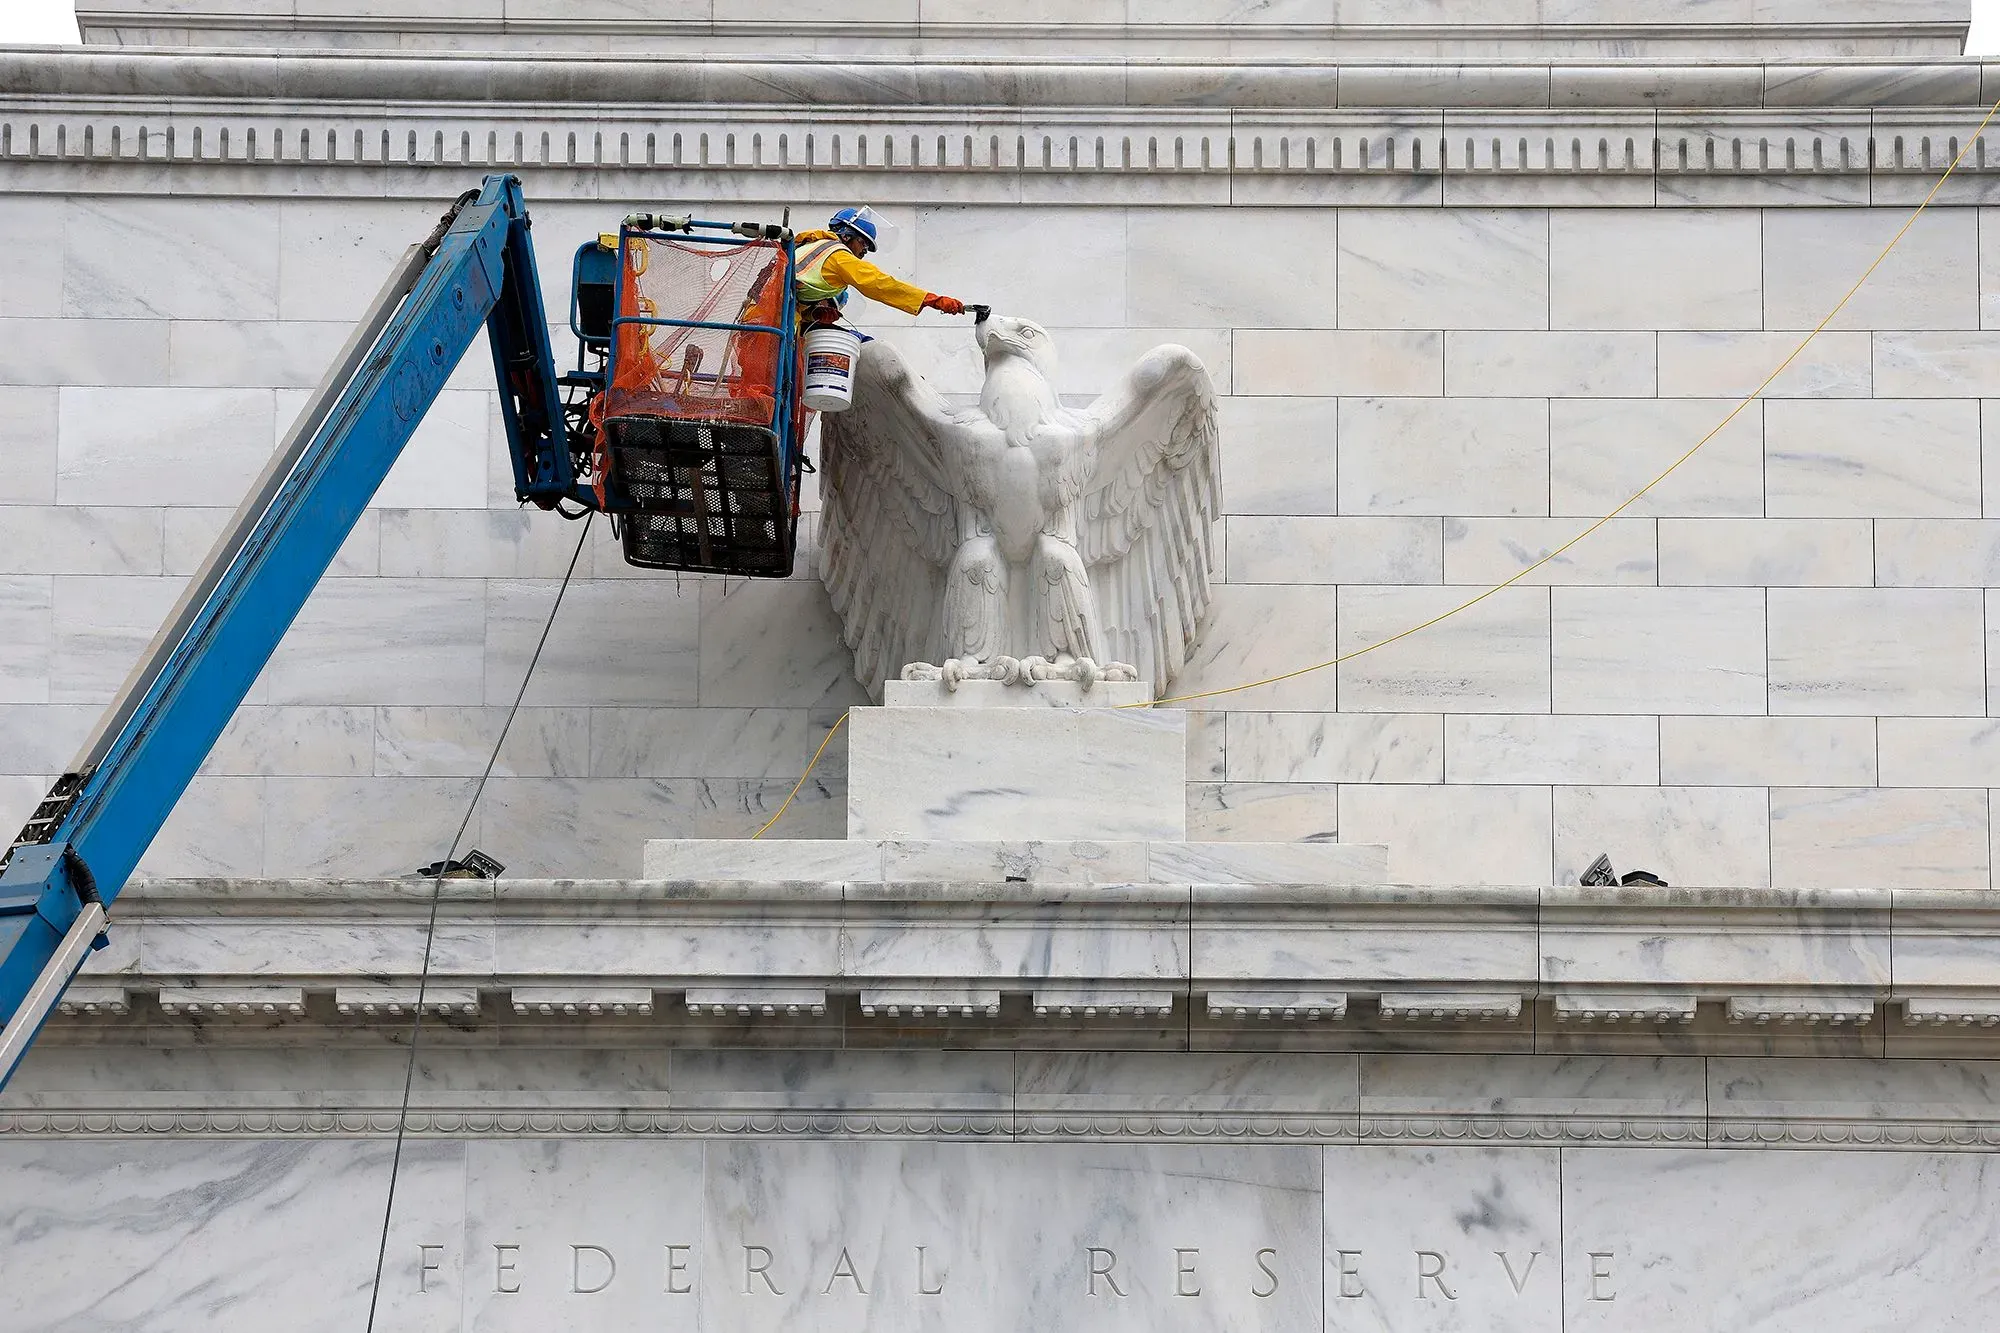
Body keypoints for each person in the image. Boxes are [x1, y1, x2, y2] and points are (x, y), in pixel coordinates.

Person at [793, 206, 967, 324]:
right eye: (863, 243)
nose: (865, 251)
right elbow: (879, 283)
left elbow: (799, 291)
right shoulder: (838, 256)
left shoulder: (811, 245)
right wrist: (932, 300)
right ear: (846, 236)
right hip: (776, 318)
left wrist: (813, 313)